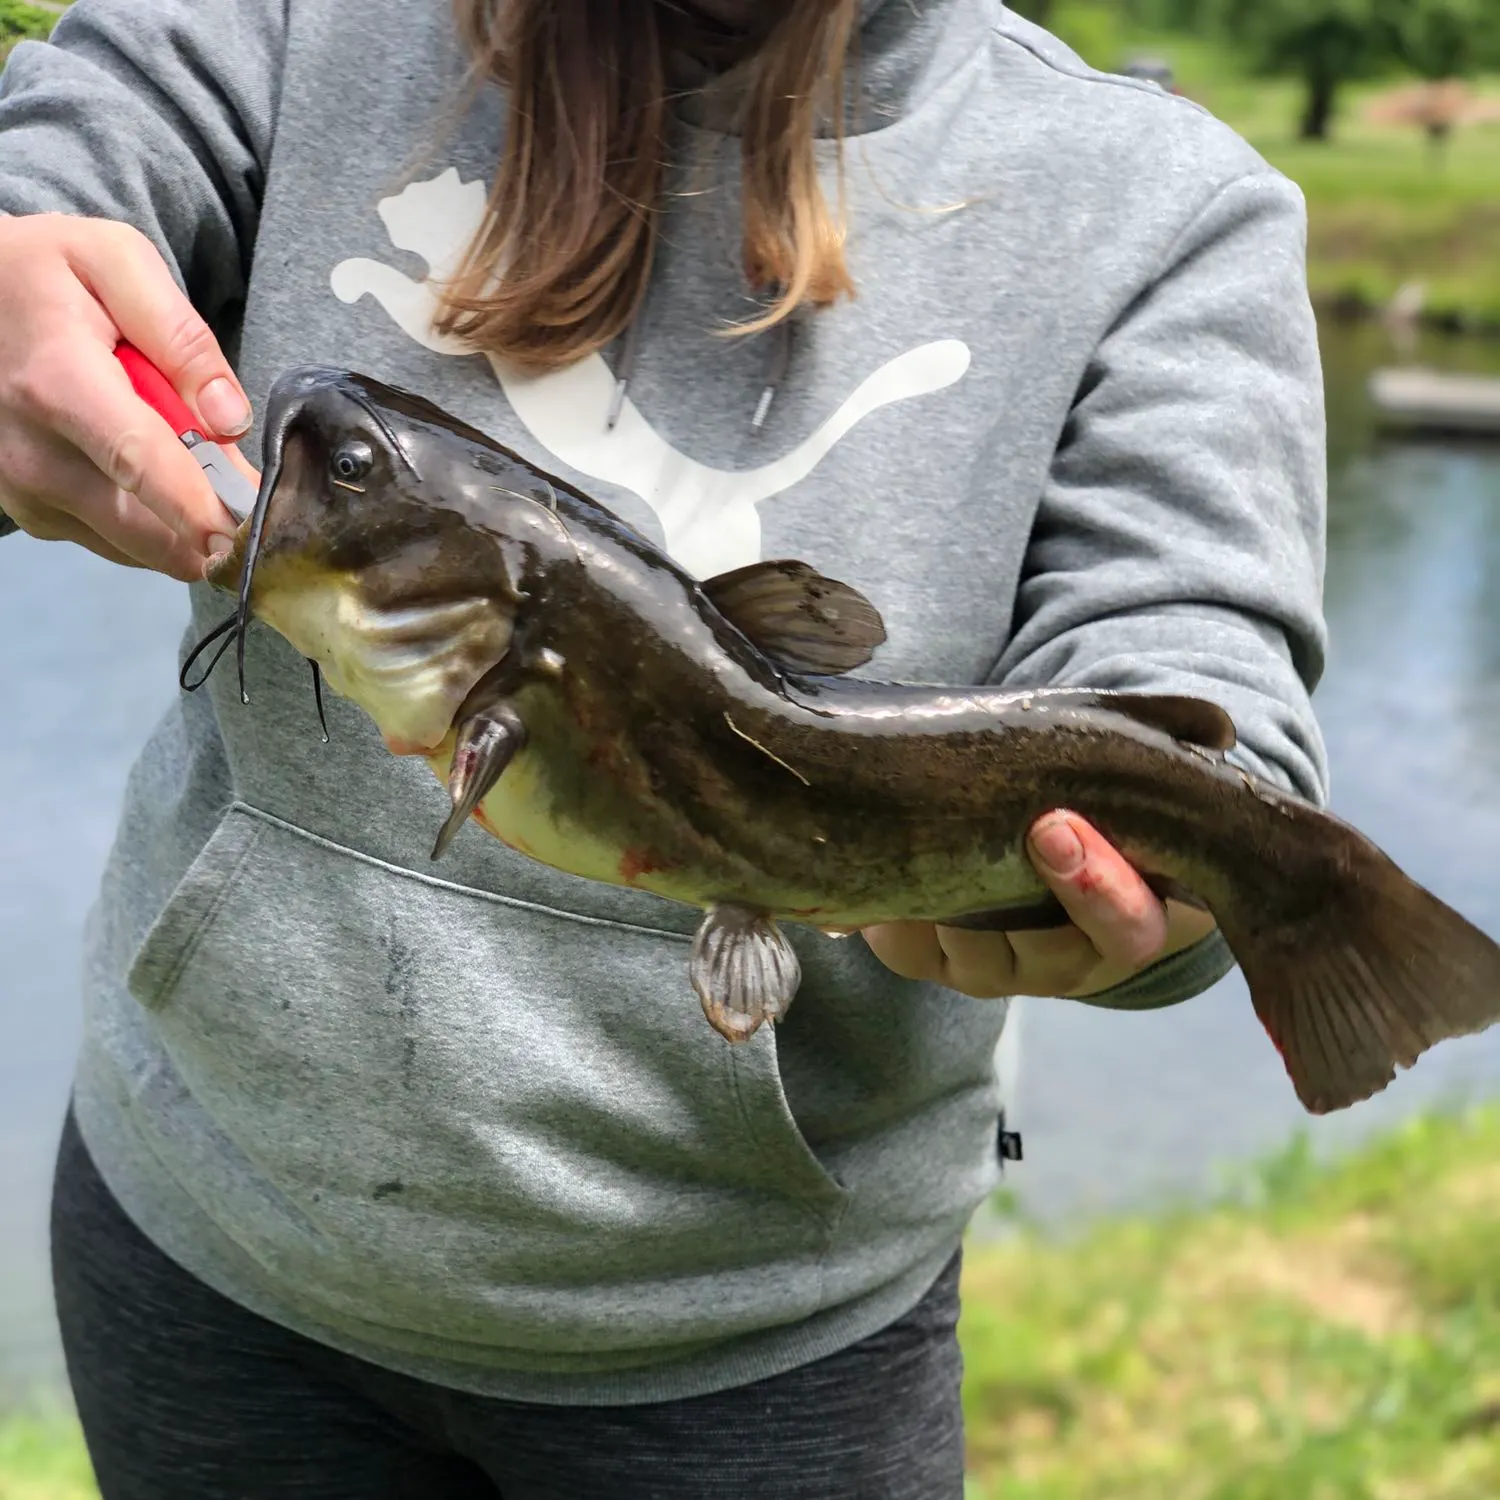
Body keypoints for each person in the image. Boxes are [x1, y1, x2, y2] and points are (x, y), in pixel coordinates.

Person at [0, 0, 1328, 1495]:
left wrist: (1169, 905)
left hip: (766, 1367)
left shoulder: (1172, 208)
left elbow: (1202, 693)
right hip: (203, 1257)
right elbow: (63, 169)